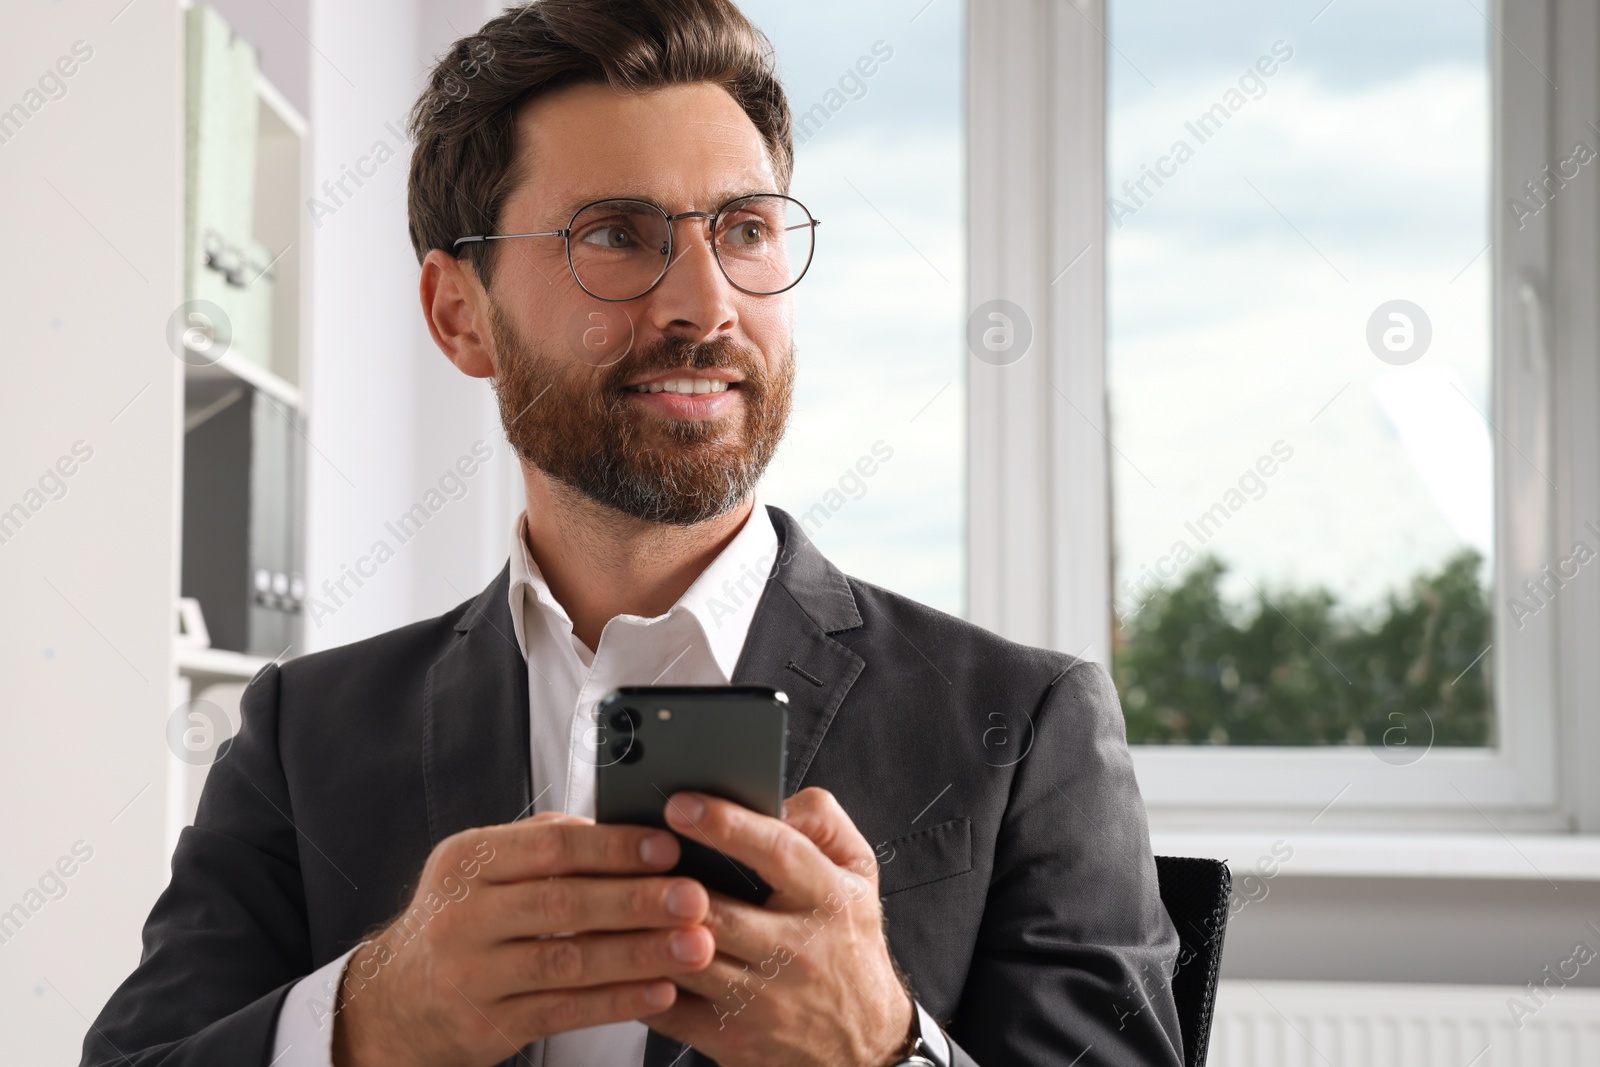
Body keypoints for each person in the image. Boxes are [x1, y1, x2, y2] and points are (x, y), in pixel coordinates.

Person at [81, 2, 1183, 1064]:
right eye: (616, 234)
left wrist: (880, 1052)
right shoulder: (299, 738)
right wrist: (374, 1021)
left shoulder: (1024, 729)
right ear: (460, 312)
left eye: (745, 230)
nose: (705, 305)